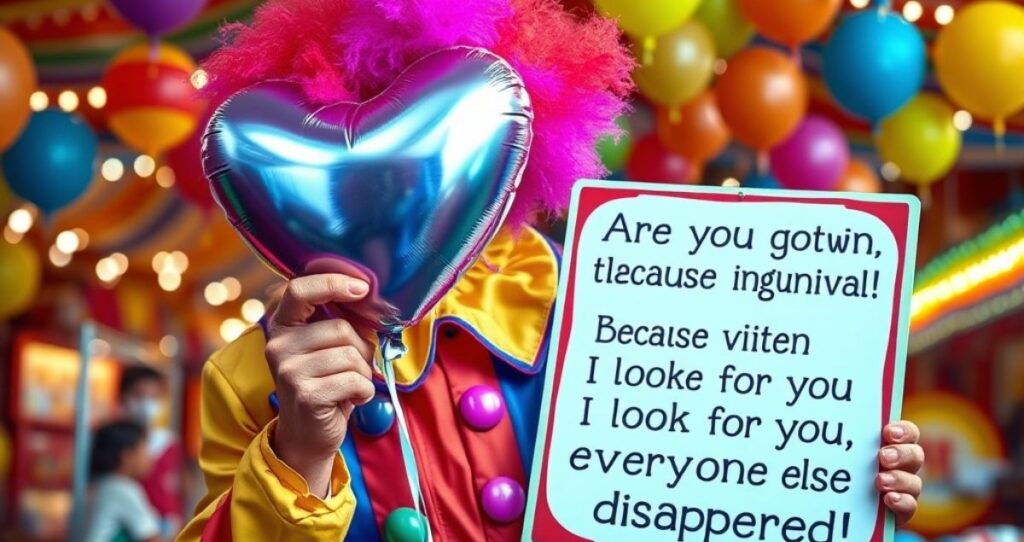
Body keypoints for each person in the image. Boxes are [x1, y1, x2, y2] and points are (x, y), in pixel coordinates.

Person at [178, 1, 925, 540]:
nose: (393, 192)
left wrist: (826, 476)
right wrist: (298, 457)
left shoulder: (616, 307)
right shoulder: (249, 377)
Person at [120, 366, 184, 536]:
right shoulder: (113, 441)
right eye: (139, 395)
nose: (147, 404)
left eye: (154, 397)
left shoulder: (169, 443)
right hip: (128, 529)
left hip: (166, 529)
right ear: (123, 396)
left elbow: (178, 488)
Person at [85, 421, 163, 542]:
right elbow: (153, 539)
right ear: (126, 455)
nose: (151, 457)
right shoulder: (122, 489)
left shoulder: (102, 485)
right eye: (145, 449)